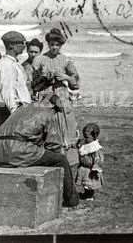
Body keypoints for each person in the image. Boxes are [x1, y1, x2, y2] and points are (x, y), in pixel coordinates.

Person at [0, 95, 79, 207]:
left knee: (42, 154)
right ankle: (71, 200)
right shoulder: (48, 114)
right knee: (61, 160)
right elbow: (53, 144)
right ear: (54, 107)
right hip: (18, 151)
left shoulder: (22, 108)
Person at [32, 28, 80, 169]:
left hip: (62, 97)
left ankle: (67, 162)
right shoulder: (39, 59)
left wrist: (65, 77)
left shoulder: (66, 60)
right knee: (46, 127)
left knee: (66, 128)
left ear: (61, 45)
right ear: (48, 44)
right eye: (52, 44)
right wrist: (44, 78)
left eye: (57, 45)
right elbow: (33, 83)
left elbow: (76, 83)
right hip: (45, 96)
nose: (54, 47)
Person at [0, 31, 32, 129]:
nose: (24, 46)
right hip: (10, 112)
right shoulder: (6, 65)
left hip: (19, 110)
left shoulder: (14, 64)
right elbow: (7, 91)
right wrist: (15, 114)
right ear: (11, 45)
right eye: (21, 43)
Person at [76, 123, 104, 201]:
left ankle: (89, 196)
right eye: (84, 136)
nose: (86, 139)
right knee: (85, 182)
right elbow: (78, 146)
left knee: (90, 183)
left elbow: (98, 158)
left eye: (87, 137)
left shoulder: (94, 147)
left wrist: (96, 165)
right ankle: (86, 194)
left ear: (94, 136)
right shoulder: (84, 143)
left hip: (90, 168)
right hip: (83, 167)